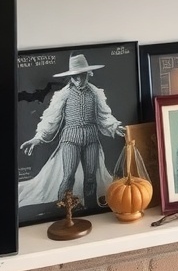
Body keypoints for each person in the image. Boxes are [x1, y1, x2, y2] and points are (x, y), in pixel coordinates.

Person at [19, 52, 126, 210]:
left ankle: (89, 209)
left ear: (87, 74)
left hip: (91, 138)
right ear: (70, 77)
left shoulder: (95, 94)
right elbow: (51, 118)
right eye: (75, 77)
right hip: (70, 139)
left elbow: (104, 116)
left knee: (91, 177)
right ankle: (64, 210)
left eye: (81, 76)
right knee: (68, 175)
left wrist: (115, 126)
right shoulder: (64, 94)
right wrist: (38, 138)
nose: (78, 80)